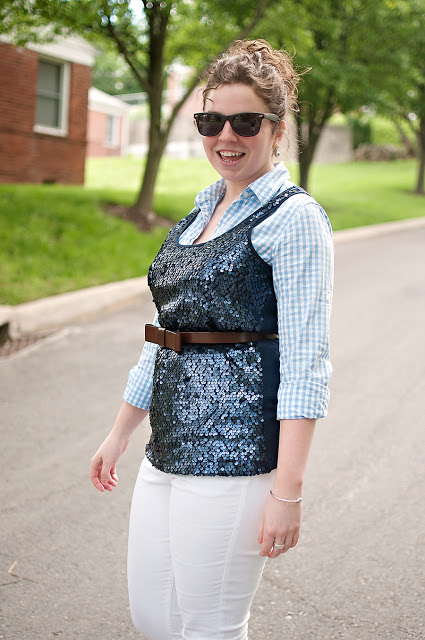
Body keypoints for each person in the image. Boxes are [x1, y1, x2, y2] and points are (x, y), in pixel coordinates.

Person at [90, 39, 334, 640]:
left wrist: (288, 489)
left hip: (236, 454)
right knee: (154, 619)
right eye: (211, 121)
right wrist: (121, 430)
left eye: (246, 121)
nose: (227, 135)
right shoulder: (201, 212)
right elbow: (166, 332)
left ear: (276, 130)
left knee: (209, 627)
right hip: (167, 447)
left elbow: (307, 361)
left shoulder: (292, 217)